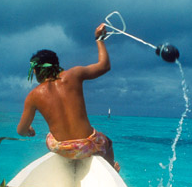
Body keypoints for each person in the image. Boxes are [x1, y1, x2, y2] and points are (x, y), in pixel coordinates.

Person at [17, 23, 120, 171]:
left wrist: (29, 130)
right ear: (56, 65)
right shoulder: (74, 74)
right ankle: (112, 168)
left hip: (63, 149)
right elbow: (104, 65)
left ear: (37, 70)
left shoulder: (33, 96)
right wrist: (99, 39)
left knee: (49, 136)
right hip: (86, 146)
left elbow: (20, 130)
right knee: (108, 142)